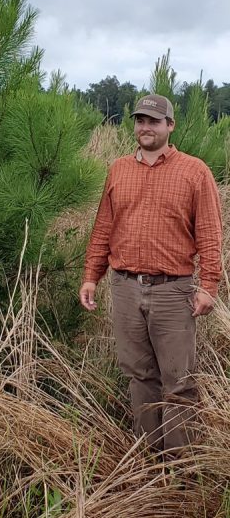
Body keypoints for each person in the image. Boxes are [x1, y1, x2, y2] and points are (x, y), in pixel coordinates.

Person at [79, 93, 222, 455]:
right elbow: (103, 228)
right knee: (139, 376)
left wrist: (209, 286)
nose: (145, 127)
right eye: (140, 120)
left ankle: (179, 468)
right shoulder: (119, 170)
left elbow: (209, 232)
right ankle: (147, 456)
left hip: (173, 291)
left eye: (154, 121)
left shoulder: (194, 171)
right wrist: (92, 275)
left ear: (170, 126)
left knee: (178, 382)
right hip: (125, 288)